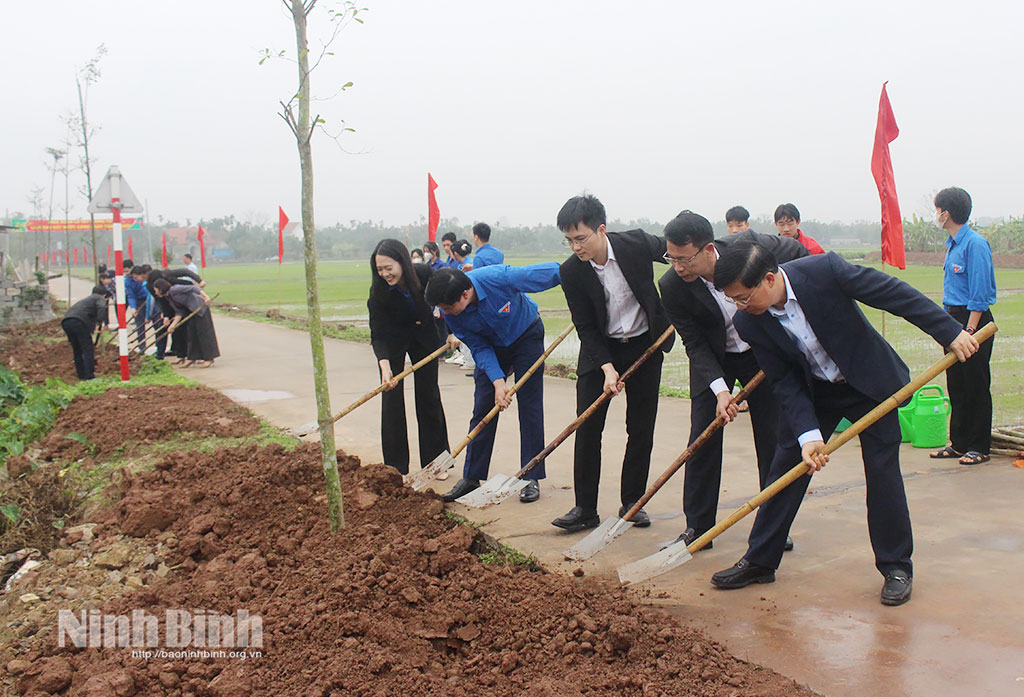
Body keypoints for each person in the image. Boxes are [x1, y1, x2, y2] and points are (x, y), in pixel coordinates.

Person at [709, 241, 978, 606]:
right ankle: (760, 559)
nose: (739, 307)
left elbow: (894, 294)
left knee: (882, 471)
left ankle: (896, 566)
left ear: (768, 279)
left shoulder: (825, 272)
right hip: (816, 390)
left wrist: (949, 332)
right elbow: (785, 381)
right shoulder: (749, 322)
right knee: (786, 465)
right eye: (733, 300)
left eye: (742, 298)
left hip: (868, 383)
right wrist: (807, 436)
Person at [657, 211, 808, 550]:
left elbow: (798, 254)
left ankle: (774, 525)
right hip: (715, 359)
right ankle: (698, 527)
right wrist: (722, 392)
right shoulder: (672, 285)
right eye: (672, 258)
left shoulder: (749, 247)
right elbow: (694, 343)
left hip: (762, 351)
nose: (678, 267)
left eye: (685, 259)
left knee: (774, 439)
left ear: (709, 249)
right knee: (702, 438)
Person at [552, 194, 673, 533]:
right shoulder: (571, 271)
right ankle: (584, 508)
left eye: (581, 238)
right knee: (588, 427)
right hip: (600, 351)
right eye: (569, 240)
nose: (576, 247)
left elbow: (678, 253)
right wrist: (606, 368)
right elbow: (586, 327)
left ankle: (633, 502)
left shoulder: (635, 243)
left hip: (644, 345)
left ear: (600, 230)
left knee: (640, 427)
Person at [425, 263, 561, 504]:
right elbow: (477, 346)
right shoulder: (451, 313)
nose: (446, 312)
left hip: (525, 335)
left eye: (448, 306)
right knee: (483, 407)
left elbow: (547, 273)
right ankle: (471, 477)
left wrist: (577, 275)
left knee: (530, 406)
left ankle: (530, 475)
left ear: (465, 294)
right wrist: (498, 382)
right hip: (491, 346)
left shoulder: (498, 277)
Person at [368, 239, 450, 476]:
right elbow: (378, 333)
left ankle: (436, 463)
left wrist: (453, 332)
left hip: (424, 336)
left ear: (402, 262)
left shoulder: (424, 274)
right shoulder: (378, 292)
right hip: (393, 340)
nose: (384, 274)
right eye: (379, 269)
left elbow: (447, 298)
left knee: (428, 395)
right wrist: (384, 366)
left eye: (388, 268)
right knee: (391, 397)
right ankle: (395, 466)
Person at [929, 186, 996, 466]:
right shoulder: (952, 244)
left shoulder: (975, 244)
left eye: (937, 210)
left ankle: (979, 446)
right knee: (956, 383)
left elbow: (980, 292)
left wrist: (970, 330)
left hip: (974, 322)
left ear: (947, 213)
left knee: (975, 384)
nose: (936, 215)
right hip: (953, 320)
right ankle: (958, 443)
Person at [152, 278, 220, 367]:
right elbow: (179, 312)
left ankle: (209, 359)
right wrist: (173, 325)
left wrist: (205, 297)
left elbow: (194, 288)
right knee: (191, 334)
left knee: (203, 334)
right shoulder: (169, 297)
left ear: (160, 288)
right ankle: (192, 358)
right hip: (191, 312)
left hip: (200, 309)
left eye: (156, 290)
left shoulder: (175, 289)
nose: (156, 293)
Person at [146, 267, 204, 362]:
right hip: (175, 308)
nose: (156, 291)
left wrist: (199, 280)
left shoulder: (170, 278)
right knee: (177, 332)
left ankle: (195, 356)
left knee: (189, 331)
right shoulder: (152, 287)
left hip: (187, 305)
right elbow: (161, 301)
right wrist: (166, 315)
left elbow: (185, 272)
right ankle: (181, 355)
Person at [61, 285, 109, 380]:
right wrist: (100, 321)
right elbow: (102, 307)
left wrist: (94, 327)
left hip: (66, 321)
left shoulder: (87, 300)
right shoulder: (99, 298)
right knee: (88, 349)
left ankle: (81, 375)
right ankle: (89, 376)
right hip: (78, 322)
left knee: (77, 350)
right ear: (103, 294)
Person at [125, 265, 153, 346]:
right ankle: (142, 345)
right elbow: (130, 295)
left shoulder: (147, 280)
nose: (136, 279)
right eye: (134, 278)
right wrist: (133, 308)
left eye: (136, 277)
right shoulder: (128, 282)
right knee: (140, 325)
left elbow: (150, 295)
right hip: (138, 302)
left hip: (149, 300)